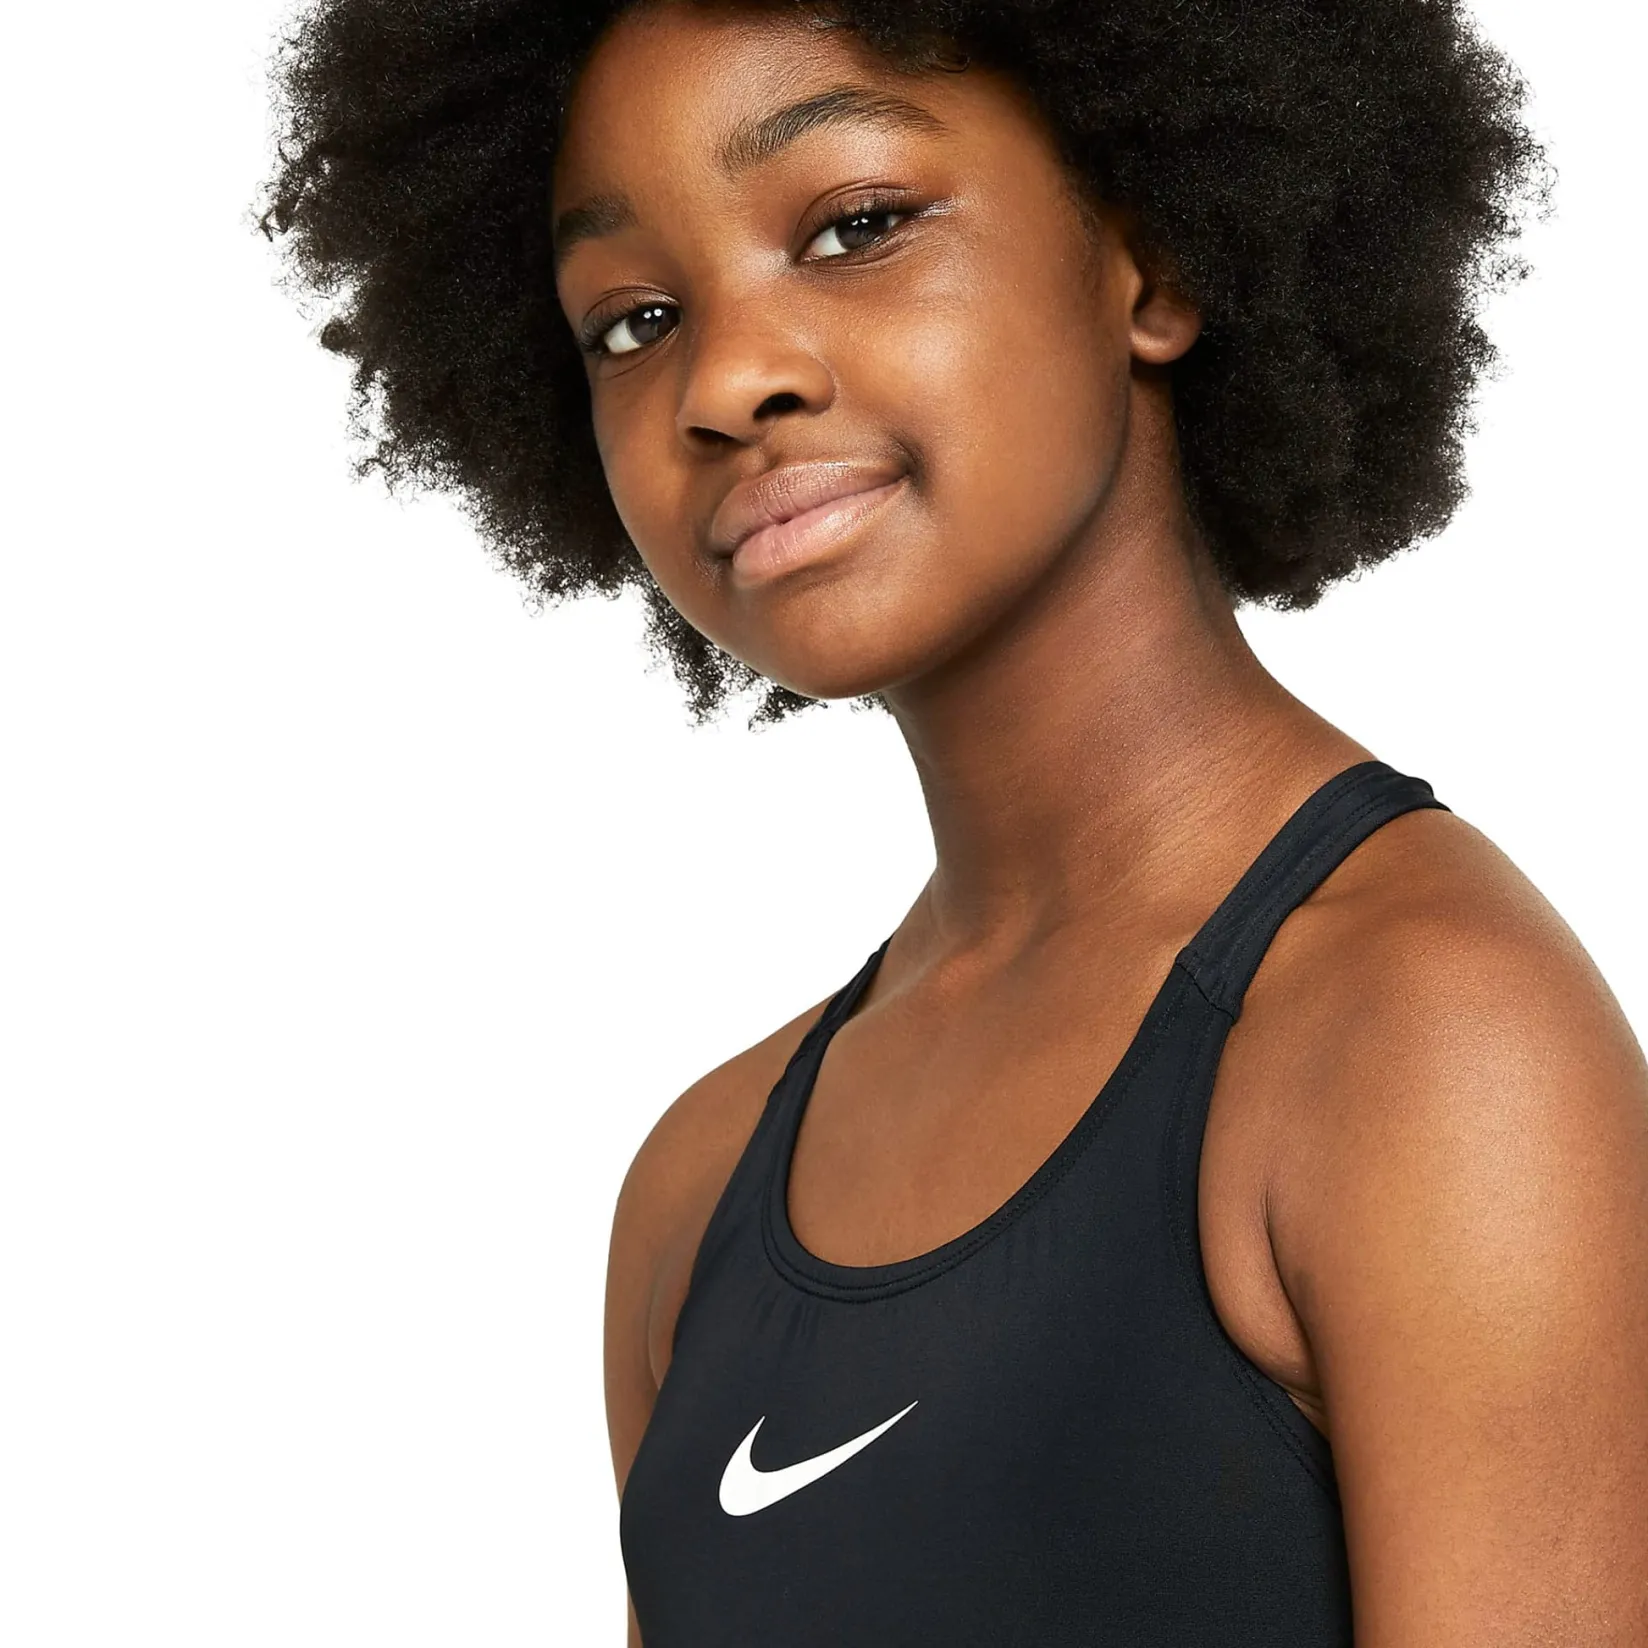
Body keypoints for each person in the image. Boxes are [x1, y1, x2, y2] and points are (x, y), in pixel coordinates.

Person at [258, 1, 1648, 1641]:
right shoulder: (695, 1201)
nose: (727, 380)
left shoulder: (1424, 1043)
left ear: (1150, 257)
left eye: (855, 227)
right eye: (635, 320)